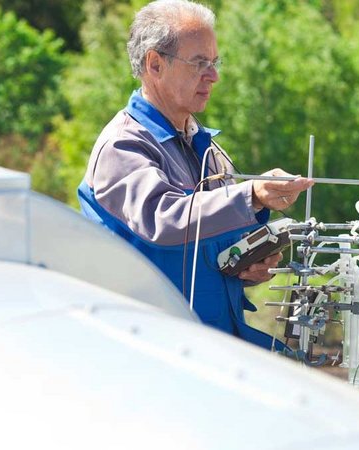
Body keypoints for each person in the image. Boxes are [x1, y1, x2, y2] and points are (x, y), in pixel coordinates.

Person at [77, 0, 313, 350]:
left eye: (214, 62)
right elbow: (165, 220)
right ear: (155, 64)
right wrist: (251, 195)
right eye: (200, 63)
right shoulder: (123, 146)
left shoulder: (205, 146)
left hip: (212, 344)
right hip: (152, 349)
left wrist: (252, 263)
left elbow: (214, 247)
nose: (213, 75)